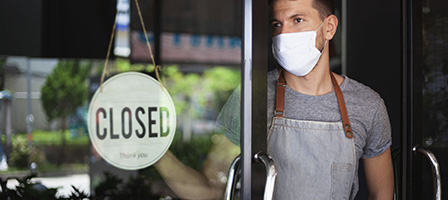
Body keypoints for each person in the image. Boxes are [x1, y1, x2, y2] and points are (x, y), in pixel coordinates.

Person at [155, 0, 394, 199]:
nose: (284, 34)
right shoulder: (251, 97)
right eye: (277, 24)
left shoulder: (367, 105)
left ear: (329, 27)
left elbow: (382, 195)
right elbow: (209, 189)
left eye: (297, 20)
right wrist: (155, 153)